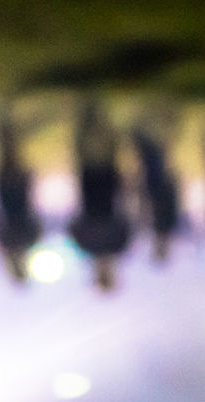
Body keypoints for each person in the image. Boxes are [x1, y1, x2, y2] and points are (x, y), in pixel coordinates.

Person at [69, 98, 130, 290]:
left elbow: (74, 224)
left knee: (88, 158)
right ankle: (97, 115)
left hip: (92, 196)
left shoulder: (88, 247)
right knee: (107, 156)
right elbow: (125, 220)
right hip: (107, 195)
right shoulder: (115, 247)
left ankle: (87, 114)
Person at [0, 100, 46, 283]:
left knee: (12, 155)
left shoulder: (30, 240)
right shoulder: (4, 243)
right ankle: (4, 121)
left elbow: (35, 216)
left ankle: (6, 121)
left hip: (20, 194)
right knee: (7, 155)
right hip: (7, 194)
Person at [131, 102, 181, 262]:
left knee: (152, 152)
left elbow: (143, 207)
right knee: (154, 151)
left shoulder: (152, 229)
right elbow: (172, 204)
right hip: (159, 186)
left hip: (154, 187)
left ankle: (154, 113)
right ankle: (162, 113)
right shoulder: (164, 227)